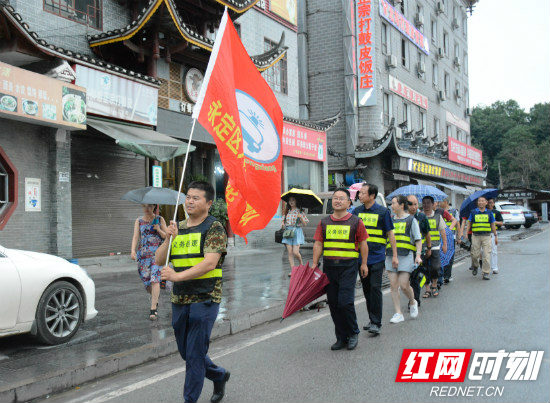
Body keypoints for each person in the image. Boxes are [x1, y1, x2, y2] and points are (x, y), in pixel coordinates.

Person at [156, 181, 230, 403]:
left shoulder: (214, 228)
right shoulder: (177, 227)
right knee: (186, 352)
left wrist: (176, 276)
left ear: (208, 203)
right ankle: (219, 375)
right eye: (188, 196)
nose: (189, 201)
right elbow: (159, 260)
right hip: (180, 298)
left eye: (195, 198)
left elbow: (209, 263)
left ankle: (190, 399)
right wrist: (169, 237)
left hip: (206, 297)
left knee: (195, 355)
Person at [311, 188, 369, 351]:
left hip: (348, 267)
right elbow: (318, 243)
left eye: (341, 198)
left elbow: (364, 244)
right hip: (330, 268)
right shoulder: (324, 222)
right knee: (334, 304)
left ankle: (353, 333)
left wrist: (364, 264)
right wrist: (315, 264)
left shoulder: (356, 222)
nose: (337, 201)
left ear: (349, 203)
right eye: (335, 198)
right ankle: (341, 337)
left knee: (345, 302)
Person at [353, 183, 396, 335]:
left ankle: (376, 322)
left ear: (372, 196)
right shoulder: (356, 212)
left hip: (377, 257)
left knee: (375, 287)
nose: (360, 195)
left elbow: (390, 234)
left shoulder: (383, 212)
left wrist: (394, 255)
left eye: (363, 193)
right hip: (360, 258)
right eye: (360, 193)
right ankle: (372, 320)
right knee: (366, 289)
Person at [385, 195, 422, 323]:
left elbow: (418, 239)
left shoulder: (411, 220)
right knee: (393, 285)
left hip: (406, 256)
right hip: (390, 256)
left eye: (394, 203)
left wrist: (417, 255)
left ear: (401, 205)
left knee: (404, 285)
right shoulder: (389, 220)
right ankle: (398, 313)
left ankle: (412, 301)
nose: (392, 206)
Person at [131, 204, 167, 320]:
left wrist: (158, 229)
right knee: (147, 281)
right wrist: (132, 250)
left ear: (153, 207)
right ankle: (155, 299)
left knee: (155, 279)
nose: (147, 209)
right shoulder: (139, 220)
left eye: (149, 206)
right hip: (143, 255)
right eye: (144, 206)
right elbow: (136, 236)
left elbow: (167, 236)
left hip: (157, 255)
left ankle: (153, 308)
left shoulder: (160, 219)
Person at [406, 195, 431, 307]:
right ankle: (412, 297)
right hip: (404, 252)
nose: (414, 207)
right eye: (411, 204)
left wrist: (429, 248)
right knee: (406, 278)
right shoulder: (400, 217)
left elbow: (427, 234)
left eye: (416, 204)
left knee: (415, 277)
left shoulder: (421, 217)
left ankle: (415, 300)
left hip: (417, 252)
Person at [465, 196, 498, 280]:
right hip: (475, 236)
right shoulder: (473, 212)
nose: (481, 202)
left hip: (487, 237)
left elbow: (493, 224)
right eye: (479, 201)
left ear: (486, 202)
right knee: (475, 255)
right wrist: (466, 234)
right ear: (477, 203)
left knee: (486, 255)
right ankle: (475, 266)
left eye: (483, 201)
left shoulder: (489, 213)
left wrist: (495, 235)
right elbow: (469, 223)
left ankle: (486, 272)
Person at [421, 196, 447, 298]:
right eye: (424, 203)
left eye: (428, 203)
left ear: (433, 204)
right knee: (424, 269)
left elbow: (443, 231)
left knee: (435, 267)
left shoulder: (437, 217)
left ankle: (434, 285)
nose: (426, 205)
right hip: (422, 247)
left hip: (435, 246)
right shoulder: (419, 216)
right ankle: (427, 288)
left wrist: (444, 244)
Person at [281, 196, 309, 276]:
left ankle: (301, 264)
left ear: (296, 201)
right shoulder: (287, 212)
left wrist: (301, 218)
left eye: (293, 200)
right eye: (290, 201)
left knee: (295, 252)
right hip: (288, 232)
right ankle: (293, 270)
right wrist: (282, 224)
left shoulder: (300, 212)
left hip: (296, 231)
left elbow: (305, 224)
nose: (291, 202)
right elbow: (283, 222)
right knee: (289, 252)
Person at [437, 199, 460, 285]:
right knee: (440, 255)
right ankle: (440, 275)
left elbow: (457, 222)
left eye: (440, 201)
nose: (439, 203)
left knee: (449, 256)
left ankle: (447, 276)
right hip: (439, 237)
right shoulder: (436, 212)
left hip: (450, 236)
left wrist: (456, 234)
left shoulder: (453, 211)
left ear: (446, 202)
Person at [487, 198, 504, 274]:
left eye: (491, 203)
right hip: (484, 233)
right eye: (488, 202)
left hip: (493, 233)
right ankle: (485, 267)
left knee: (494, 251)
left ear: (494, 204)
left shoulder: (496, 212)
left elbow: (501, 223)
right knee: (484, 252)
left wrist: (494, 222)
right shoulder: (484, 212)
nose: (490, 204)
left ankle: (494, 267)